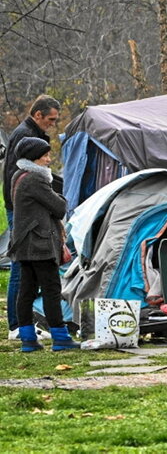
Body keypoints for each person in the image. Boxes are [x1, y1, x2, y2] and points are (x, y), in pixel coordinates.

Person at [8, 137, 79, 352]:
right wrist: (58, 194)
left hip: (24, 243)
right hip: (39, 243)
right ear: (34, 157)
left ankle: (28, 338)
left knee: (27, 290)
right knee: (51, 289)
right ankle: (60, 337)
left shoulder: (18, 175)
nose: (49, 159)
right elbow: (59, 207)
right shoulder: (35, 179)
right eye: (45, 155)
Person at [3, 94, 60, 340]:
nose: (53, 123)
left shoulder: (30, 133)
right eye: (51, 119)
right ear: (38, 115)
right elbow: (18, 175)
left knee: (25, 270)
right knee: (21, 266)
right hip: (23, 210)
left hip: (23, 207)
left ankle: (23, 325)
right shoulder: (25, 136)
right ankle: (17, 325)